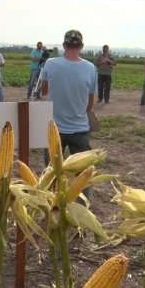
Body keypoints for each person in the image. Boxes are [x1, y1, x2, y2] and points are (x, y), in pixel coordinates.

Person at [39, 29, 97, 199]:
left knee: (51, 172)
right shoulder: (90, 68)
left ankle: (51, 204)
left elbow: (44, 91)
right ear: (82, 46)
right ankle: (81, 206)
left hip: (53, 129)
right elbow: (91, 101)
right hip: (80, 128)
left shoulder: (51, 64)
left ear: (64, 45)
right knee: (82, 174)